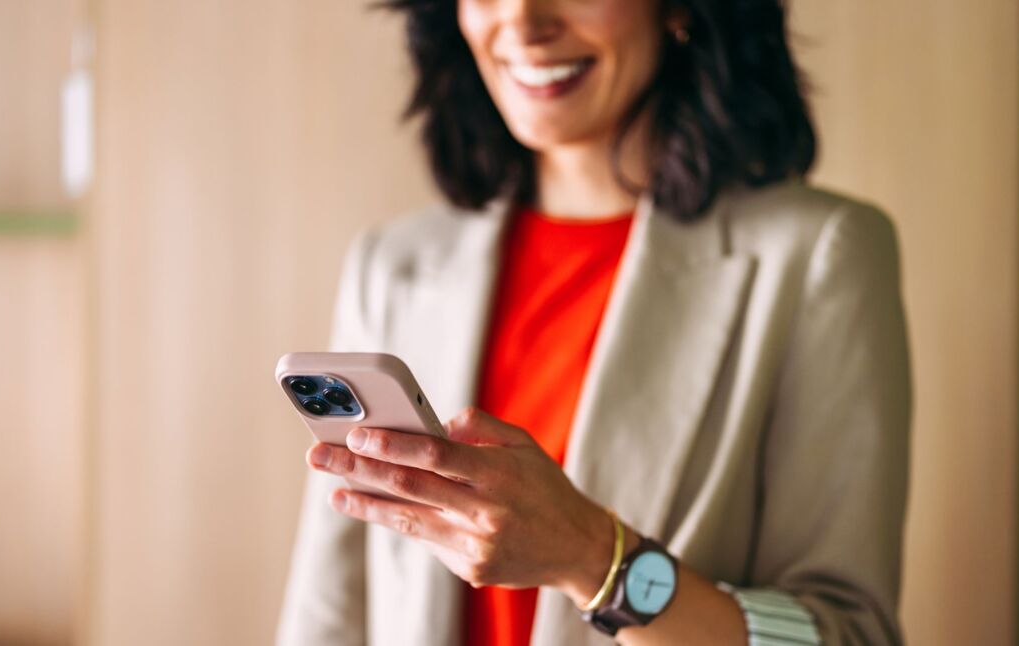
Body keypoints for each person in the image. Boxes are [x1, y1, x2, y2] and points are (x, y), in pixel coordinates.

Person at [277, 0, 911, 644]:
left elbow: (849, 634)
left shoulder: (820, 254)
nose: (523, 23)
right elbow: (327, 613)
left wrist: (592, 559)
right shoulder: (394, 265)